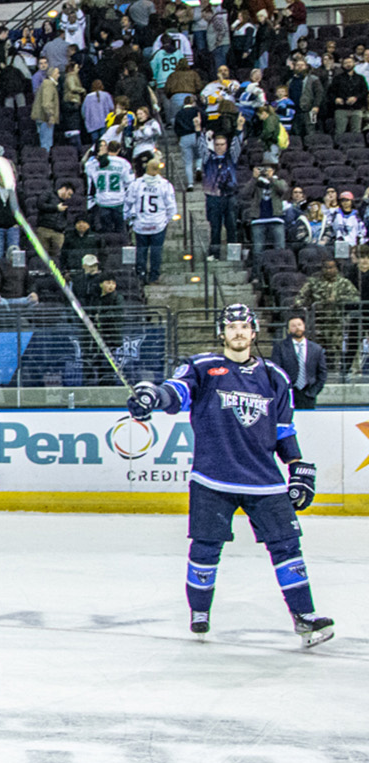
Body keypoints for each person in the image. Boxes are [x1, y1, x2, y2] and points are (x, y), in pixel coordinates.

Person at [127, 304, 332, 645]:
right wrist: (152, 395)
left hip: (264, 480)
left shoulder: (275, 377)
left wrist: (296, 466)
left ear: (254, 332)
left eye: (244, 326)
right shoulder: (203, 367)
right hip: (213, 478)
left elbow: (283, 430)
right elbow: (175, 392)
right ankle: (200, 612)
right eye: (231, 326)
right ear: (222, 333)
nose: (238, 332)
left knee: (287, 547)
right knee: (206, 547)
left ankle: (305, 616)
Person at [126, 151, 177, 284]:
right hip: (158, 223)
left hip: (141, 223)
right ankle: (154, 275)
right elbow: (171, 205)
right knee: (156, 251)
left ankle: (141, 274)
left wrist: (128, 217)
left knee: (141, 250)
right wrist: (170, 219)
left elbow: (128, 201)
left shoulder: (137, 184)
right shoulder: (165, 185)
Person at [269, 315, 327, 411]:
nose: (297, 328)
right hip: (288, 394)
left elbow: (322, 373)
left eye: (299, 325)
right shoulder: (280, 348)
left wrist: (313, 392)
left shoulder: (316, 349)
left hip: (308, 395)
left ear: (304, 326)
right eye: (293, 326)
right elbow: (276, 372)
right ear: (288, 329)